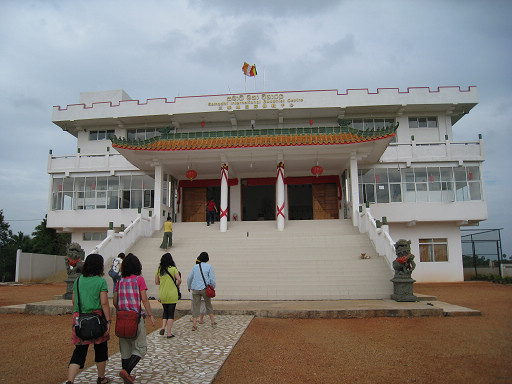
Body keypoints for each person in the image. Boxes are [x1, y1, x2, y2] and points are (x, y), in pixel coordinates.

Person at [66, 253, 112, 384]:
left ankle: (70, 380)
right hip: (97, 318)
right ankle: (101, 378)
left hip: (79, 318)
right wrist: (108, 320)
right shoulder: (100, 281)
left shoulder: (78, 280)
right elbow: (104, 302)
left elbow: (74, 301)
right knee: (101, 348)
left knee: (80, 350)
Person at [114, 253, 156, 384]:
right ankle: (126, 371)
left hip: (121, 317)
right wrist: (150, 315)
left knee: (125, 348)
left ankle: (126, 373)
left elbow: (115, 301)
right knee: (140, 347)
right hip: (135, 317)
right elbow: (144, 299)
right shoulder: (139, 280)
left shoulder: (120, 282)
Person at [187, 251, 216, 331]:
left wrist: (189, 286)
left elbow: (189, 278)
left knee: (195, 306)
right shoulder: (209, 267)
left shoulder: (195, 267)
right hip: (204, 288)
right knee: (208, 305)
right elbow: (212, 279)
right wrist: (212, 287)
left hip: (195, 288)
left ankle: (194, 324)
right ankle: (213, 322)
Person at [155, 252, 181, 338]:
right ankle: (169, 333)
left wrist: (163, 283)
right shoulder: (173, 269)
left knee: (165, 311)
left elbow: (156, 282)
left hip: (162, 293)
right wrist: (177, 285)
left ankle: (163, 327)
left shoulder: (159, 269)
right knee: (171, 313)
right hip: (172, 293)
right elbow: (179, 279)